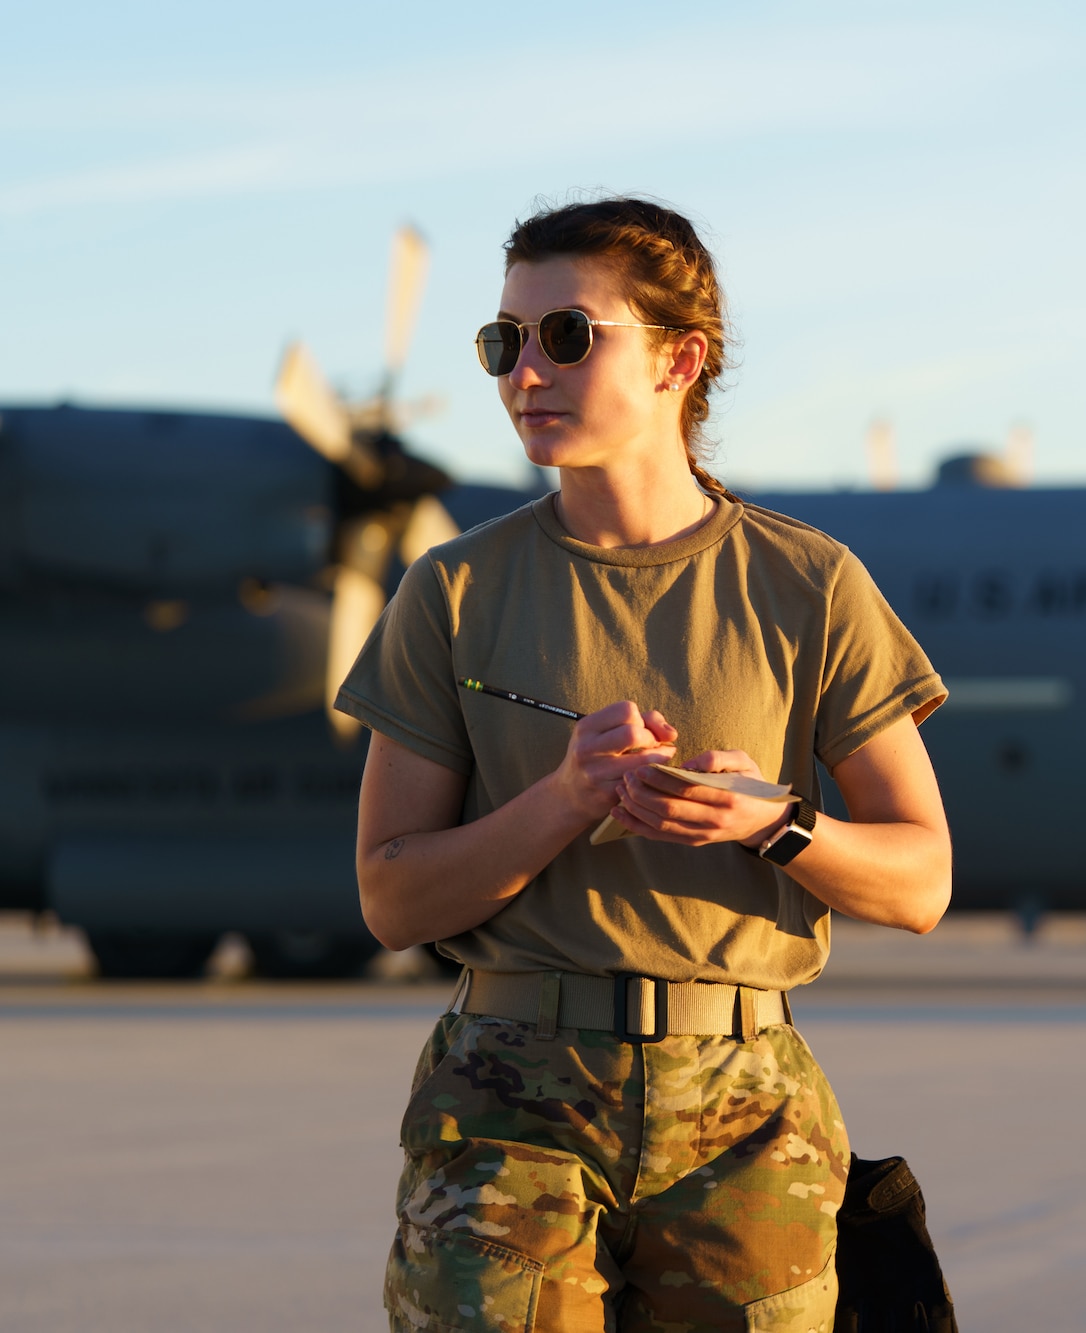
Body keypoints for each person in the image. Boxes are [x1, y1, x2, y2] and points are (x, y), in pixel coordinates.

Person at [336, 196, 951, 1333]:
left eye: (566, 335)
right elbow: (391, 896)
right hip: (505, 1104)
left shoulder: (807, 583)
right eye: (502, 342)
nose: (526, 370)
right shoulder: (452, 591)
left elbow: (920, 880)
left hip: (747, 1113)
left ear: (681, 358)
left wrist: (777, 824)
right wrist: (564, 799)